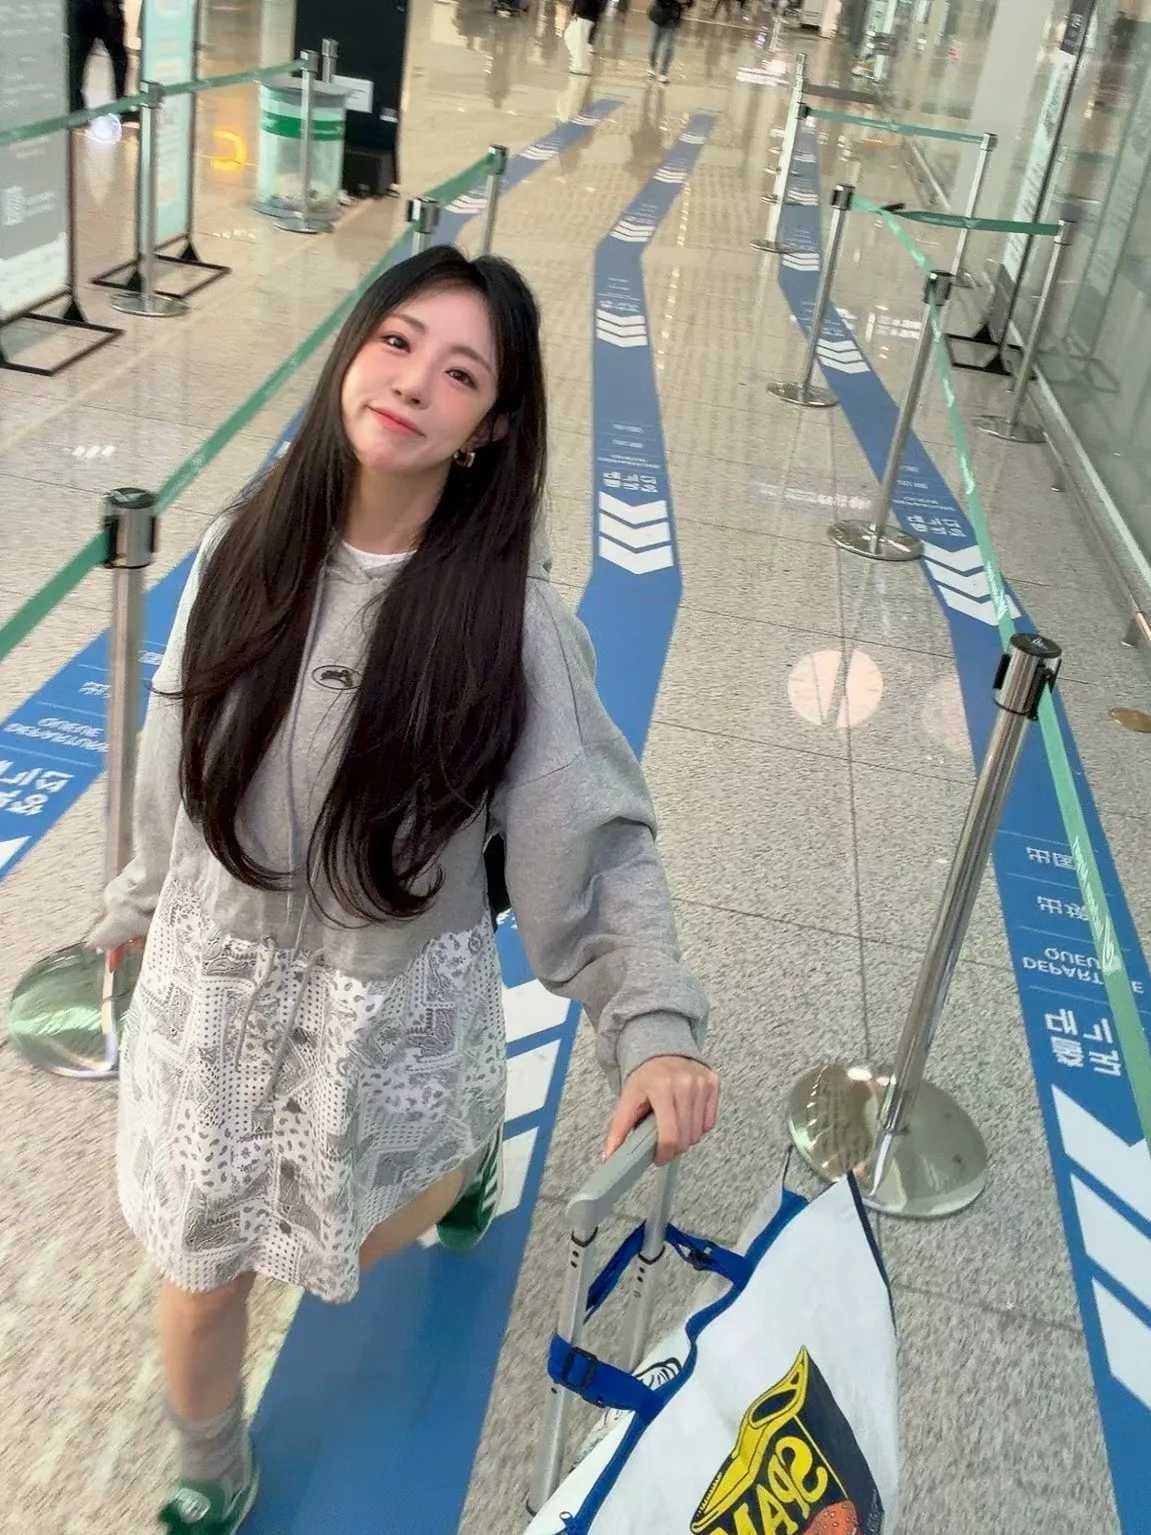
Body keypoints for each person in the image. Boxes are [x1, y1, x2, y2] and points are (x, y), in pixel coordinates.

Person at [88, 245, 718, 1535]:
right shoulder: (237, 549)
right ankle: (209, 1456)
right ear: (352, 352)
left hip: (377, 1012)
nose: (414, 381)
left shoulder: (512, 629)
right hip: (212, 997)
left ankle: (462, 1160)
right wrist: (137, 903)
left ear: (487, 429)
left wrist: (653, 1025)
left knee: (375, 1213)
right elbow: (171, 751)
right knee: (204, 1260)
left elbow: (595, 842)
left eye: (460, 373)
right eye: (396, 341)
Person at [68, 0, 133, 116]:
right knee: (119, 58)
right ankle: (121, 104)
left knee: (78, 60)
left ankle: (76, 106)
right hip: (100, 10)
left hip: (83, 9)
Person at [648, 0, 692, 82]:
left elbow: (690, 3)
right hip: (659, 16)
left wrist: (687, 2)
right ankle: (652, 67)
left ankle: (663, 73)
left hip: (673, 19)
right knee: (654, 46)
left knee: (668, 47)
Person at [565, 0, 603, 73]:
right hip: (584, 13)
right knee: (570, 36)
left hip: (585, 14)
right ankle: (579, 61)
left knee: (580, 41)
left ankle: (581, 66)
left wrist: (577, 11)